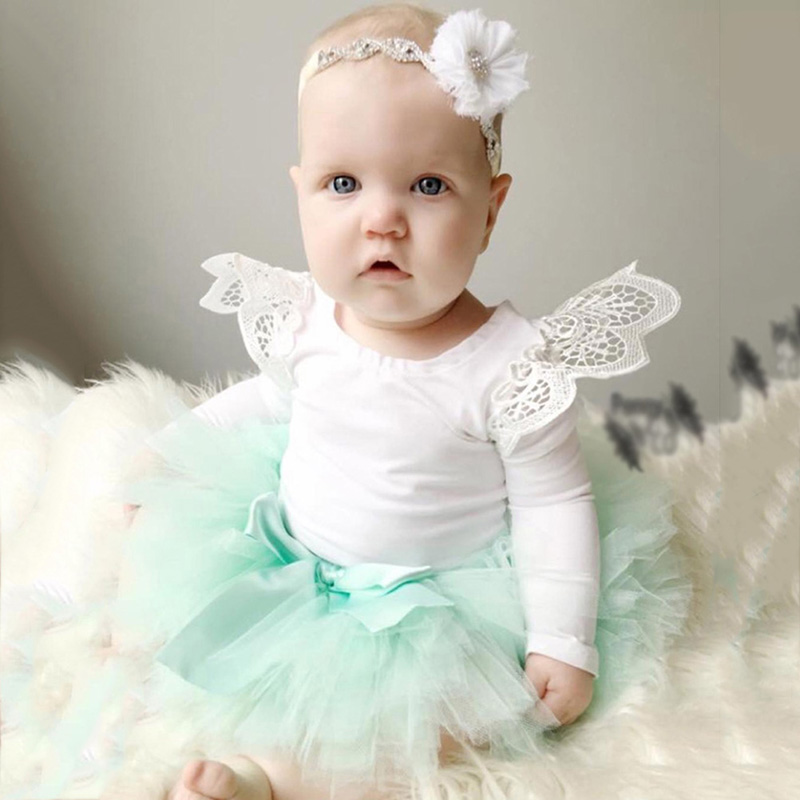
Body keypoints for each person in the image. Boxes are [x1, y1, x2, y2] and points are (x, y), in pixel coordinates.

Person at [105, 5, 688, 800]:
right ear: (301, 193)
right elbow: (271, 399)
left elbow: (554, 500)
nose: (382, 220)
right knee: (189, 627)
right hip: (294, 562)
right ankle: (176, 715)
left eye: (429, 186)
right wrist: (171, 451)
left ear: (490, 209)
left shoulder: (510, 368)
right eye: (343, 184)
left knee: (412, 730)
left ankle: (264, 778)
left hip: (433, 609)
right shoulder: (308, 320)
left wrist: (561, 640)